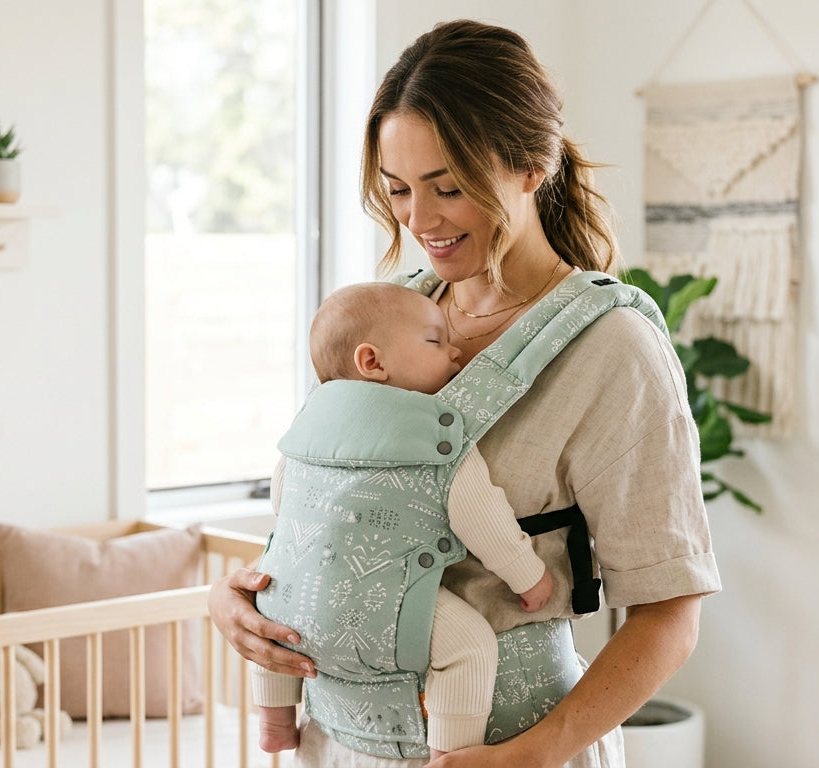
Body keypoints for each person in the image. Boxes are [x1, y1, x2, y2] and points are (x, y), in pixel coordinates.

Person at [210, 18, 721, 768]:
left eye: (447, 188)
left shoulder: (612, 349)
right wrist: (242, 600)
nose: (419, 221)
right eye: (398, 191)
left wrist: (539, 753)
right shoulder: (386, 326)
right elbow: (324, 514)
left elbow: (670, 614)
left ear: (530, 167)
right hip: (339, 746)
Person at [252, 281, 556, 759]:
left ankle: (274, 720)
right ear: (373, 362)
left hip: (298, 595)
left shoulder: (310, 419)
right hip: (385, 598)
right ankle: (449, 754)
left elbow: (283, 500)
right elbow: (483, 519)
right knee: (470, 648)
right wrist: (529, 577)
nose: (455, 353)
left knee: (268, 613)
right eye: (435, 341)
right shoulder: (436, 432)